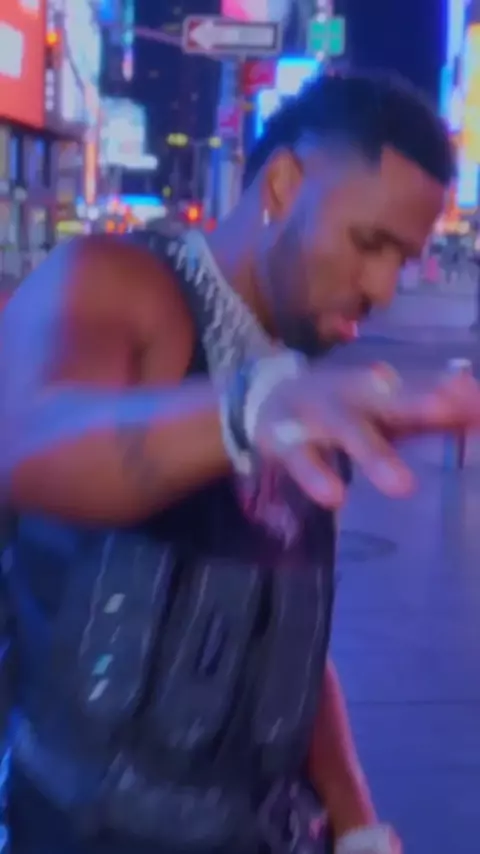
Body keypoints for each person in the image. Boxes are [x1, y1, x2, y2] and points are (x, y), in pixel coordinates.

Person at [0, 71, 479, 854]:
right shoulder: (119, 284)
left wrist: (357, 822)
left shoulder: (306, 390)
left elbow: (287, 645)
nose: (383, 287)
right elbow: (27, 440)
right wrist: (247, 409)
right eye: (369, 243)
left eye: (404, 258)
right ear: (283, 185)